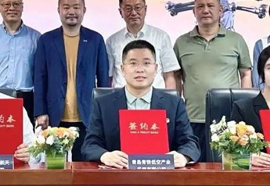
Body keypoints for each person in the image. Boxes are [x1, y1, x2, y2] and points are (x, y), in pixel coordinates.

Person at [82, 40, 200, 168]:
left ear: (155, 69)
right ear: (122, 69)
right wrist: (105, 156)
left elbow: (190, 143)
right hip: (118, 174)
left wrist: (183, 156)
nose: (140, 70)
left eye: (146, 63)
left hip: (162, 175)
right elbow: (90, 144)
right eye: (133, 63)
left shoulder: (174, 104)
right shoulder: (103, 104)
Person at [173, 0, 252, 160]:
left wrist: (244, 109)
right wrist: (176, 107)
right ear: (194, 11)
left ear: (220, 10)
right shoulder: (181, 42)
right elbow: (176, 77)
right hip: (193, 118)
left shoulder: (236, 40)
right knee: (192, 166)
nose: (205, 10)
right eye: (200, 6)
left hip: (229, 121)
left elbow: (246, 73)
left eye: (211, 6)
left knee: (231, 168)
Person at [34, 0, 109, 161]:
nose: (71, 12)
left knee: (87, 165)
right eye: (66, 7)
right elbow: (39, 78)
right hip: (55, 117)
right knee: (56, 166)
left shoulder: (95, 39)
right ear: (58, 10)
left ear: (84, 10)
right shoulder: (46, 40)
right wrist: (40, 112)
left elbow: (103, 80)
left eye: (76, 7)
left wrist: (103, 113)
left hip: (87, 116)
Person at [0, 0, 41, 121]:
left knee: (24, 135)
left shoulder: (36, 38)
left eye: (16, 4)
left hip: (26, 98)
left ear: (22, 7)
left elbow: (40, 75)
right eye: (7, 4)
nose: (12, 8)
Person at [106, 0, 179, 89]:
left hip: (155, 97)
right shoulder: (112, 41)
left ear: (145, 9)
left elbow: (169, 75)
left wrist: (169, 98)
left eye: (137, 8)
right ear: (120, 12)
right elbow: (109, 77)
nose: (133, 13)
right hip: (121, 97)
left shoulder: (161, 37)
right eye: (128, 9)